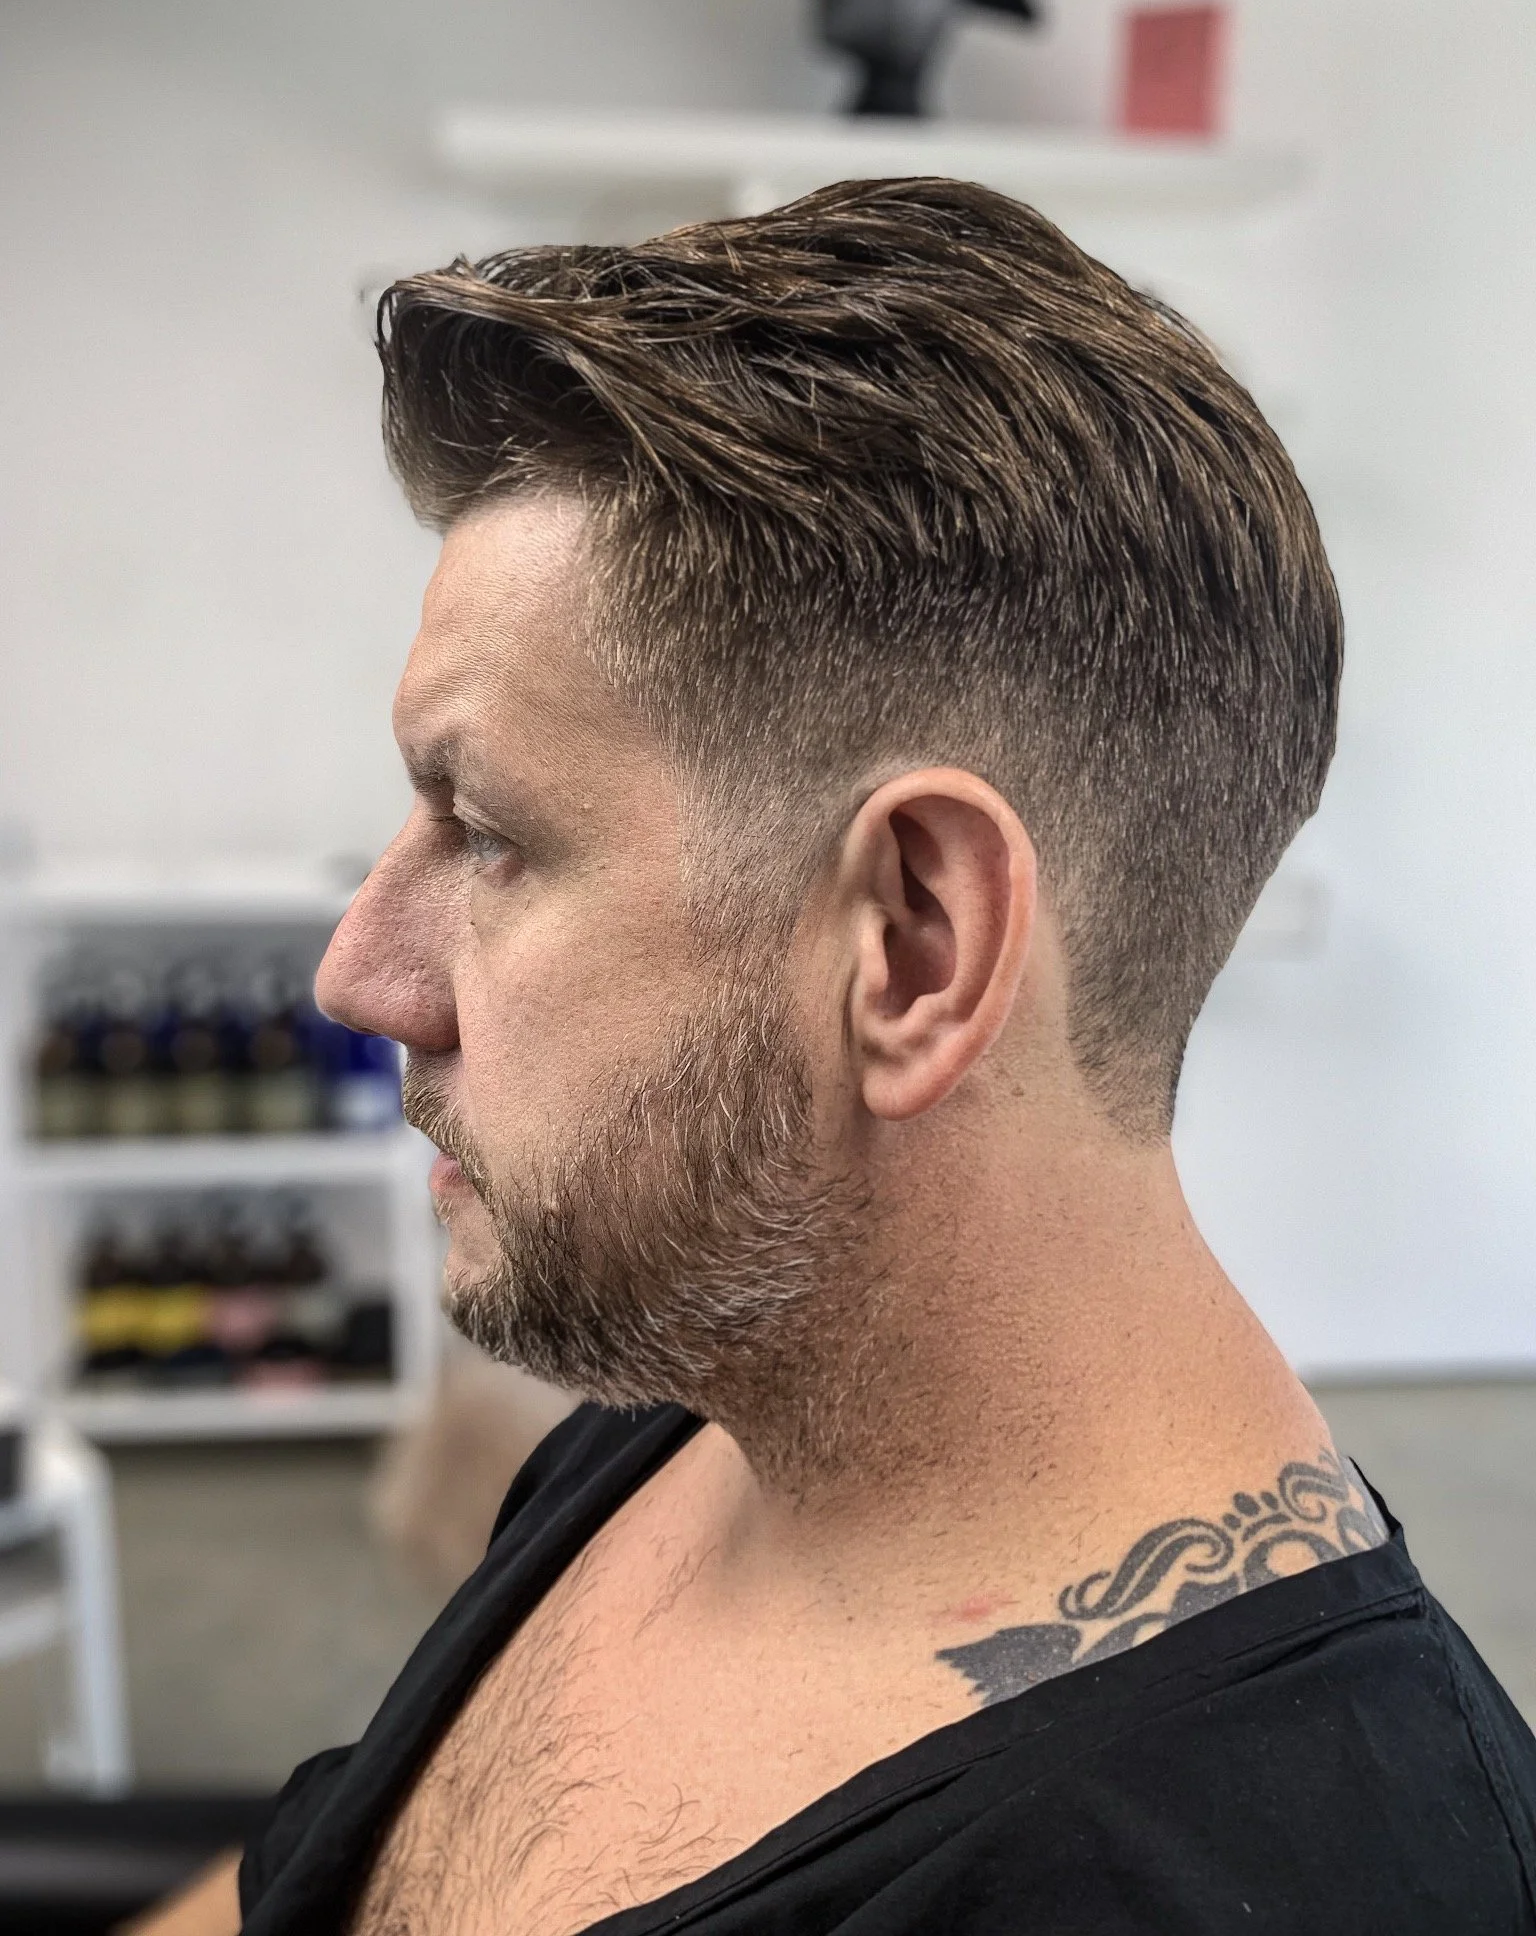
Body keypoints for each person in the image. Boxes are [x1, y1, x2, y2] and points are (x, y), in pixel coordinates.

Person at [154, 178, 1536, 1936]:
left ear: (914, 943)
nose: (360, 977)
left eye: (486, 832)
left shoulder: (1309, 1883)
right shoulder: (682, 1405)